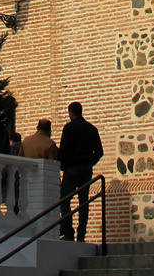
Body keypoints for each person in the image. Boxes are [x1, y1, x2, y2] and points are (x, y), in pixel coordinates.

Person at [57, 102, 103, 242]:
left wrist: (63, 166)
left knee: (64, 200)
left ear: (71, 113)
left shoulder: (69, 128)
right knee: (84, 201)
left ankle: (69, 233)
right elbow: (100, 152)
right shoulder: (92, 129)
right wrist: (90, 162)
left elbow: (63, 150)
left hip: (72, 168)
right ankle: (81, 234)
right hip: (86, 169)